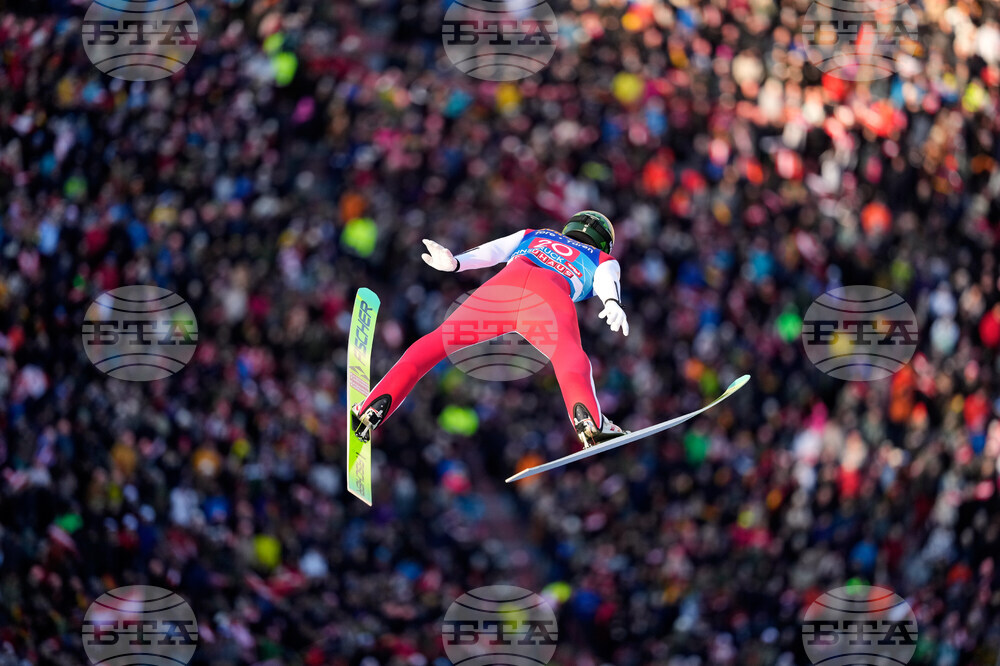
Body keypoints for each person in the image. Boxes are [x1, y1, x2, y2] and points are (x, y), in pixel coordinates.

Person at [352, 211, 631, 449]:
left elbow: (494, 251)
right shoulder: (602, 259)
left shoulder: (538, 234)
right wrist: (612, 302)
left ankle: (373, 406)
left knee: (436, 343)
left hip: (504, 288)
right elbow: (607, 279)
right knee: (570, 359)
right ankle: (590, 422)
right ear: (604, 243)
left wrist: (456, 262)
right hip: (549, 300)